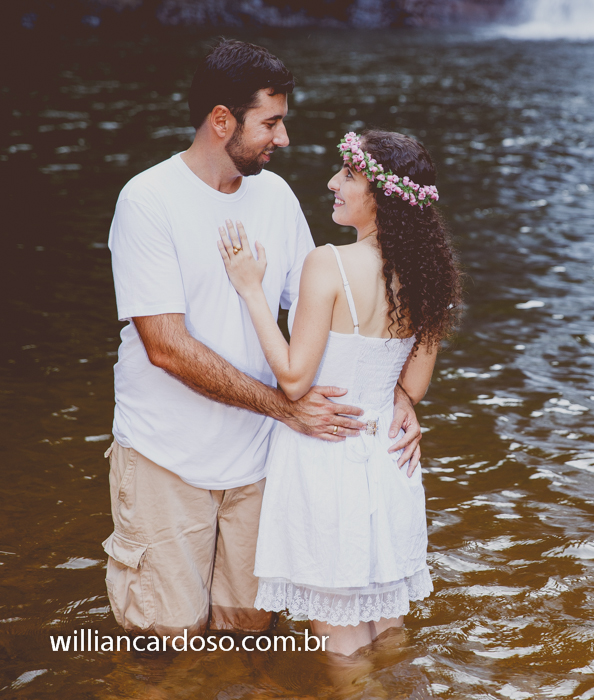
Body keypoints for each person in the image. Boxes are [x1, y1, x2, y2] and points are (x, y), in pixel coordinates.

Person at [103, 40, 422, 638]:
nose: (284, 139)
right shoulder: (148, 201)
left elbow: (331, 315)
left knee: (250, 635)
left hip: (261, 464)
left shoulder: (274, 197)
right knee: (162, 640)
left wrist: (393, 398)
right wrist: (285, 407)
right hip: (167, 459)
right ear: (222, 121)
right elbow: (165, 346)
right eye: (270, 123)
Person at [216, 129, 460, 656]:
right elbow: (412, 388)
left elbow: (294, 379)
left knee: (339, 641)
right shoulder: (429, 275)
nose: (333, 182)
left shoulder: (328, 263)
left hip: (326, 458)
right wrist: (397, 405)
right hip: (389, 458)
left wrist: (251, 289)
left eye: (348, 175)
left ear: (382, 198)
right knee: (388, 631)